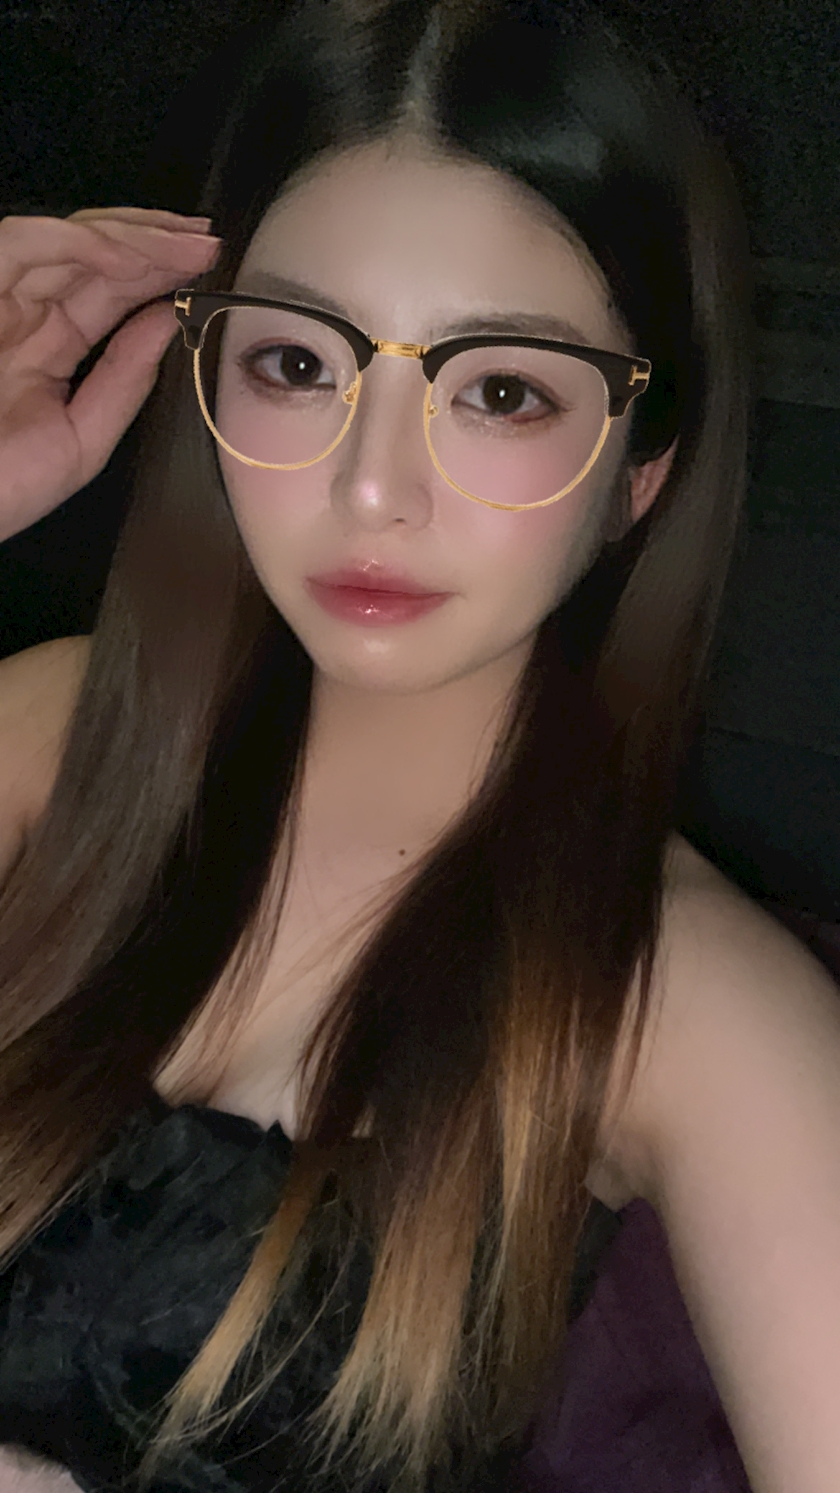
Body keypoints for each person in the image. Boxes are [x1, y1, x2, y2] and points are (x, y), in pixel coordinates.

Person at [0, 0, 839, 1489]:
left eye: (501, 390)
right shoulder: (51, 732)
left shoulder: (691, 1005)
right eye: (297, 365)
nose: (373, 485)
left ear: (639, 473)